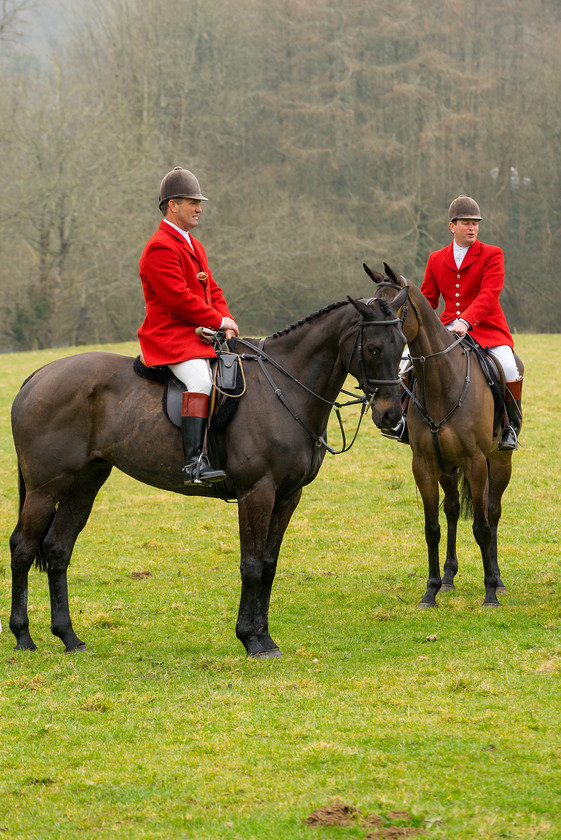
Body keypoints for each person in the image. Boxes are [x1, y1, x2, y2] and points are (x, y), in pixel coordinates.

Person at [384, 194, 523, 450]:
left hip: (488, 329)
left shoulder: (492, 254)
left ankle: (510, 427)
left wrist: (467, 321)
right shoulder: (436, 258)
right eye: (466, 223)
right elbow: (427, 300)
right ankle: (404, 420)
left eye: (475, 223)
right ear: (452, 226)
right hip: (447, 328)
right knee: (405, 362)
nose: (472, 228)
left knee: (509, 366)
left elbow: (489, 294)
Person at [138, 166, 239, 484]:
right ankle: (193, 464)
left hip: (199, 333)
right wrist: (216, 319)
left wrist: (227, 320)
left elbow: (214, 290)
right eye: (192, 202)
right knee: (201, 382)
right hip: (170, 337)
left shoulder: (194, 246)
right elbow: (178, 300)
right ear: (173, 205)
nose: (199, 208)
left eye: (199, 202)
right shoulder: (159, 246)